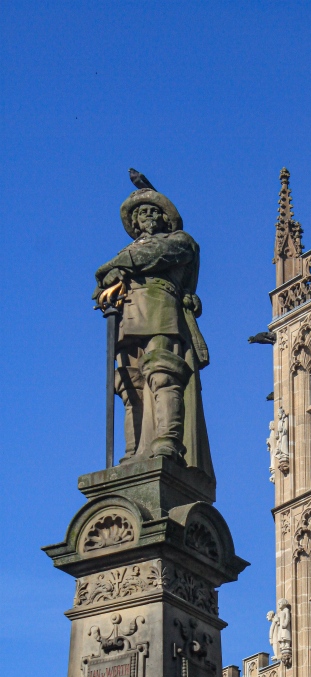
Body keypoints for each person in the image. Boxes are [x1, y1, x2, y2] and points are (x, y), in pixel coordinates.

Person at [93, 179, 212, 472]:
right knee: (129, 383)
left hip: (162, 311)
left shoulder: (181, 241)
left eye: (151, 211)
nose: (146, 217)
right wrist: (107, 279)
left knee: (164, 373)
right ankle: (132, 453)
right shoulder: (125, 255)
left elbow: (154, 256)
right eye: (140, 214)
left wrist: (114, 268)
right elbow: (100, 291)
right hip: (127, 318)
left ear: (163, 217)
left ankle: (167, 442)